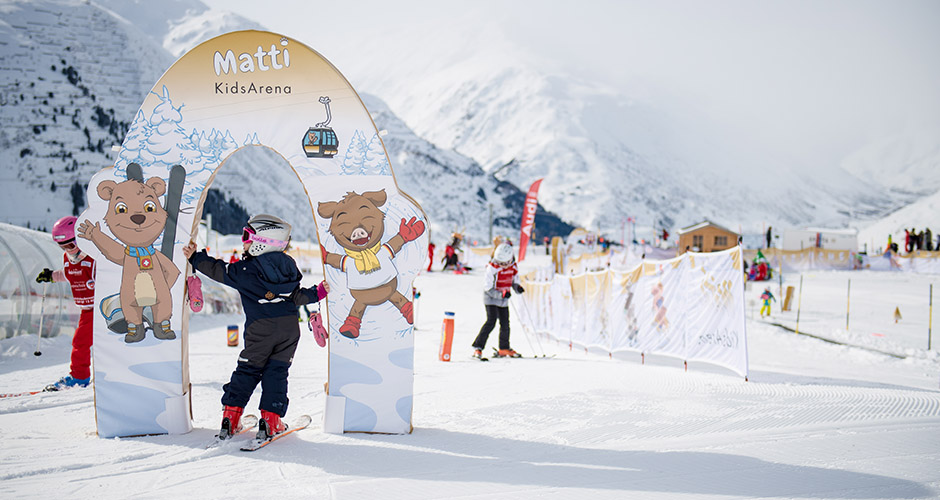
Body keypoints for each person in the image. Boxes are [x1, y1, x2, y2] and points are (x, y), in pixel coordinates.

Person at [183, 214, 329, 441]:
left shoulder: (245, 270)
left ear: (263, 241)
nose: (244, 242)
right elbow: (297, 296)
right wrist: (317, 293)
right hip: (289, 330)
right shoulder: (289, 267)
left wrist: (195, 257)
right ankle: (271, 420)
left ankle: (231, 416)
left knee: (248, 369)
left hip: (260, 330)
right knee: (277, 371)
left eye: (247, 236)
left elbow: (218, 270)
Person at [35, 216, 96, 391]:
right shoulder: (69, 258)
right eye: (62, 246)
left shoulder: (94, 257)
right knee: (81, 342)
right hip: (86, 309)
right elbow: (70, 274)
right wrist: (52, 276)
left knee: (83, 342)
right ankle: (80, 376)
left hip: (100, 308)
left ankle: (80, 376)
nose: (68, 250)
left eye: (70, 245)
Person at [471, 243, 525, 359]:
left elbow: (514, 281)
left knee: (505, 323)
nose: (503, 266)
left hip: (503, 299)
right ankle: (478, 347)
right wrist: (501, 294)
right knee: (491, 321)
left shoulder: (514, 267)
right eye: (500, 263)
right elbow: (488, 287)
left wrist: (517, 288)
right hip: (491, 298)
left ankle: (504, 348)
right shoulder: (492, 268)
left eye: (505, 263)